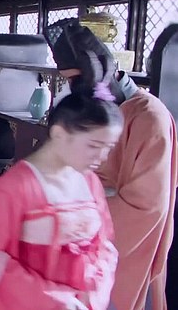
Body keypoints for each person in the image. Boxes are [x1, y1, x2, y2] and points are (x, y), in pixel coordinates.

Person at [0, 55, 122, 310]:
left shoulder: (89, 182)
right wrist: (55, 300)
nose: (102, 157)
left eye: (108, 147)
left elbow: (105, 248)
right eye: (94, 145)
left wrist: (90, 292)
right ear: (60, 134)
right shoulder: (18, 186)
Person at [45, 19, 178, 310]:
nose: (74, 90)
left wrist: (75, 218)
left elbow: (145, 208)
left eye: (76, 81)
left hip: (124, 252)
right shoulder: (98, 112)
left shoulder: (150, 118)